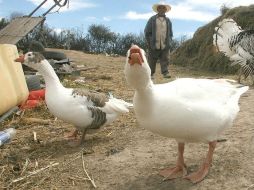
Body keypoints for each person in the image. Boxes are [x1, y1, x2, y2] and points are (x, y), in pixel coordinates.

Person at [144, 1, 173, 79]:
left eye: (163, 8)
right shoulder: (152, 19)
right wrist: (149, 42)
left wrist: (169, 42)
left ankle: (165, 73)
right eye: (160, 7)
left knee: (165, 59)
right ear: (157, 9)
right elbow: (147, 32)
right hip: (154, 44)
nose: (162, 9)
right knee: (151, 60)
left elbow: (170, 33)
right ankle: (150, 74)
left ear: (165, 10)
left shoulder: (168, 21)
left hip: (165, 44)